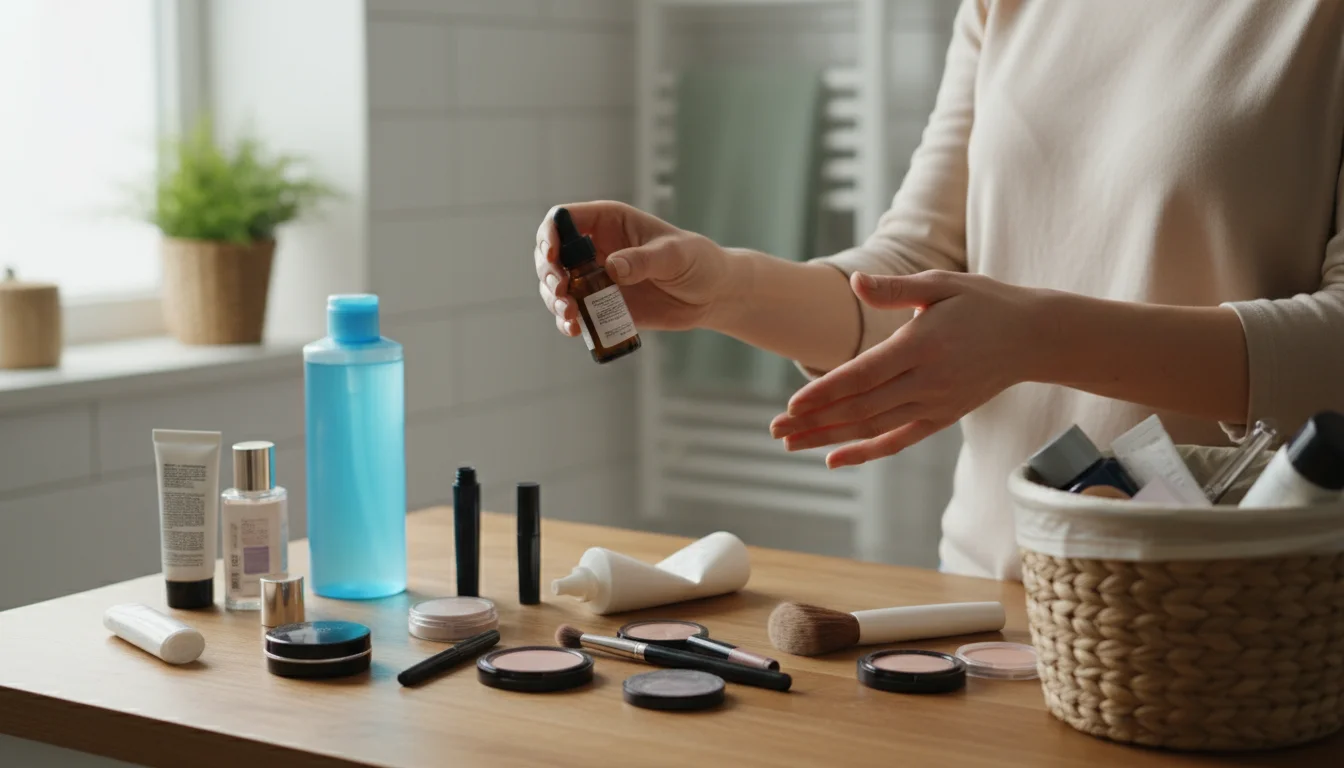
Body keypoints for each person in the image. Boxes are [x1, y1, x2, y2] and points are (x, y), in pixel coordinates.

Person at [532, 0, 1344, 580]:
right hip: (987, 595)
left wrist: (1035, 338)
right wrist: (726, 288)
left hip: (1237, 626)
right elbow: (913, 262)